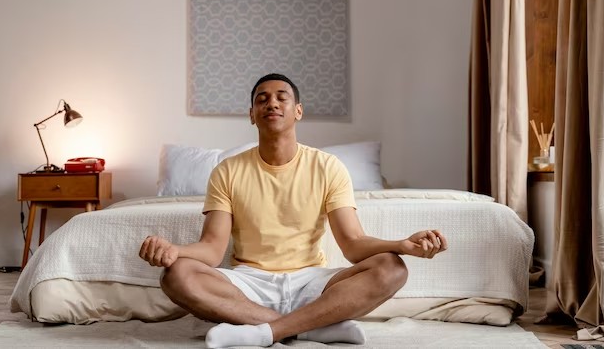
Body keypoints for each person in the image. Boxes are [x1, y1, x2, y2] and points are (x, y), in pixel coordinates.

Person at [139, 73, 448, 348]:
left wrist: (401, 245)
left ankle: (265, 331)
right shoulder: (227, 171)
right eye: (262, 99)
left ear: (298, 111)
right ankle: (309, 328)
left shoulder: (328, 167)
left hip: (312, 281)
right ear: (252, 115)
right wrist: (174, 250)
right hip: (249, 282)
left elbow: (353, 245)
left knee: (392, 268)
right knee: (176, 275)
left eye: (281, 97)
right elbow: (211, 249)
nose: (271, 103)